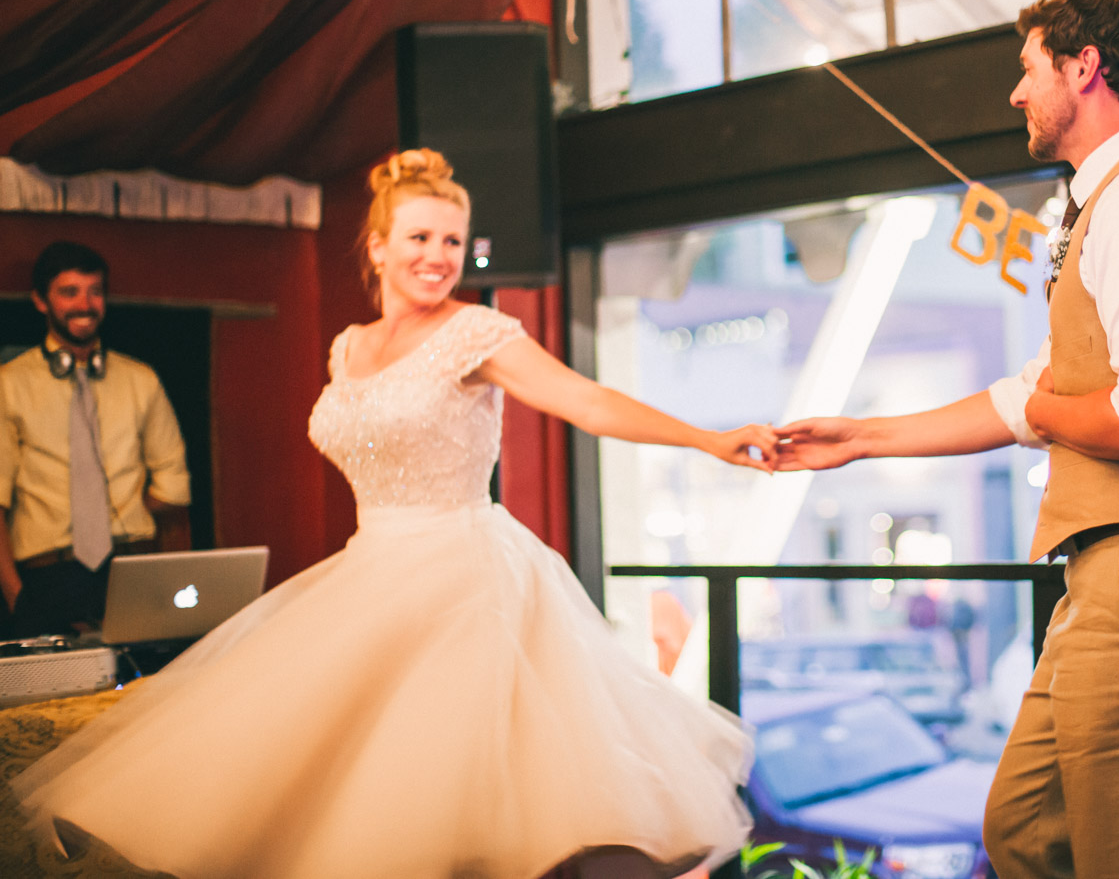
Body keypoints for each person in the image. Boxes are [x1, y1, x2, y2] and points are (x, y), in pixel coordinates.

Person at [14, 150, 770, 879]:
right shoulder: (349, 347)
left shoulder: (476, 332)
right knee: (338, 800)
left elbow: (585, 399)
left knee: (473, 805)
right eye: (419, 237)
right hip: (370, 572)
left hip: (467, 581)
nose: (438, 255)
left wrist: (706, 438)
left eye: (452, 240)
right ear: (377, 247)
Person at [776, 0, 1119, 878]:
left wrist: (1044, 413)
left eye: (1028, 68)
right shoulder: (1111, 197)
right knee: (1023, 829)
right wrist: (860, 438)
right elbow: (1033, 393)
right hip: (1117, 570)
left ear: (1085, 68)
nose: (1015, 93)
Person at [0, 241, 190, 638]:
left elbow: (173, 489)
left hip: (133, 566)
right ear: (40, 300)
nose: (85, 304)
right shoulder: (9, 385)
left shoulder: (142, 380)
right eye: (69, 292)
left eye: (95, 291)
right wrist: (16, 596)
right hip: (47, 577)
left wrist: (128, 517)